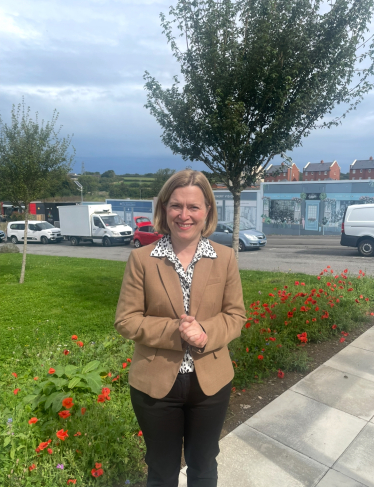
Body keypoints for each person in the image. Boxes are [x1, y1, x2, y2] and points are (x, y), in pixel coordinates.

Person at [114, 169, 246, 487]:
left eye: (193, 207)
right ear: (164, 208)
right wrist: (177, 331)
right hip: (155, 385)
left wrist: (205, 333)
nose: (183, 215)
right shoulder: (142, 259)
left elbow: (236, 315)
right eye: (176, 205)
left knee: (203, 466)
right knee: (161, 470)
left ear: (207, 212)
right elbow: (126, 319)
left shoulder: (225, 257)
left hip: (211, 385)